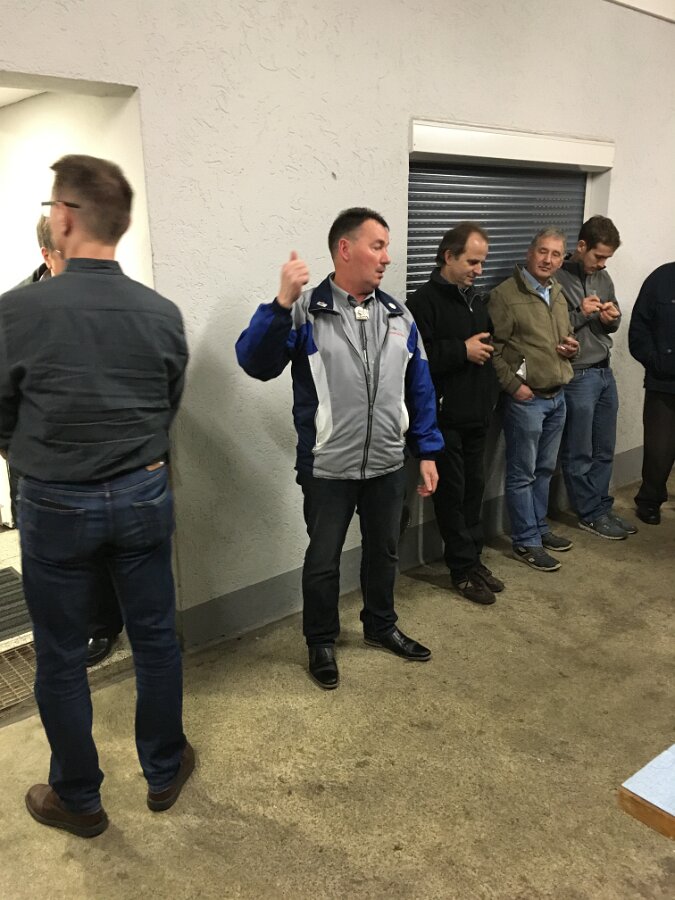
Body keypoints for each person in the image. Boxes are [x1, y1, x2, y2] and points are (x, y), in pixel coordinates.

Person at [0, 155, 192, 837]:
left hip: (54, 502)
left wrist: (32, 455)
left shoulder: (15, 312)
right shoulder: (161, 313)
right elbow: (166, 406)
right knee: (156, 639)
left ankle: (78, 799)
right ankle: (164, 769)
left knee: (59, 655)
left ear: (64, 218)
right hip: (142, 494)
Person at [236, 207, 443, 690]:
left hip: (388, 463)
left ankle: (381, 625)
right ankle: (321, 640)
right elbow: (255, 363)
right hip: (327, 466)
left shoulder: (399, 315)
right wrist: (280, 303)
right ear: (345, 249)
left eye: (387, 247)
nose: (387, 257)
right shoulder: (305, 311)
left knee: (384, 553)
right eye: (378, 246)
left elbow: (420, 386)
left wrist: (428, 451)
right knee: (323, 560)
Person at [11, 216, 124, 667]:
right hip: (37, 458)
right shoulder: (15, 311)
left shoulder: (109, 301)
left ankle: (101, 627)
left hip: (97, 452)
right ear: (47, 256)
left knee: (96, 548)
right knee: (46, 552)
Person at [407, 223, 501, 605]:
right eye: (472, 262)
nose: (479, 270)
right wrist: (461, 350)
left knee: (474, 492)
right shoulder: (422, 303)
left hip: (477, 413)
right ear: (448, 256)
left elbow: (488, 347)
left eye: (482, 262)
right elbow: (416, 359)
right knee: (452, 496)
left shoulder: (476, 300)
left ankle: (474, 560)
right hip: (443, 420)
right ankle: (461, 570)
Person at [489, 228, 579, 572]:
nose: (548, 260)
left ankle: (540, 529)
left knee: (544, 470)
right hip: (527, 401)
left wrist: (572, 347)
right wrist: (514, 386)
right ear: (530, 252)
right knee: (522, 473)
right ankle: (525, 541)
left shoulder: (557, 292)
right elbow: (493, 350)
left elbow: (564, 336)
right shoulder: (505, 295)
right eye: (543, 251)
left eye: (556, 254)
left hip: (557, 397)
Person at [556, 216, 635, 540]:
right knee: (579, 452)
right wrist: (581, 313)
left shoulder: (603, 277)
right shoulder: (556, 278)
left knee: (604, 449)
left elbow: (610, 325)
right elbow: (549, 329)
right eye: (598, 256)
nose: (602, 264)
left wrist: (611, 318)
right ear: (581, 246)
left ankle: (602, 507)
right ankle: (589, 514)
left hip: (604, 370)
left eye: (607, 258)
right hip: (578, 375)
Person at [628, 262, 675, 525]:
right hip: (663, 382)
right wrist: (656, 362)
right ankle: (649, 500)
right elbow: (639, 327)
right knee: (659, 449)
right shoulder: (661, 278)